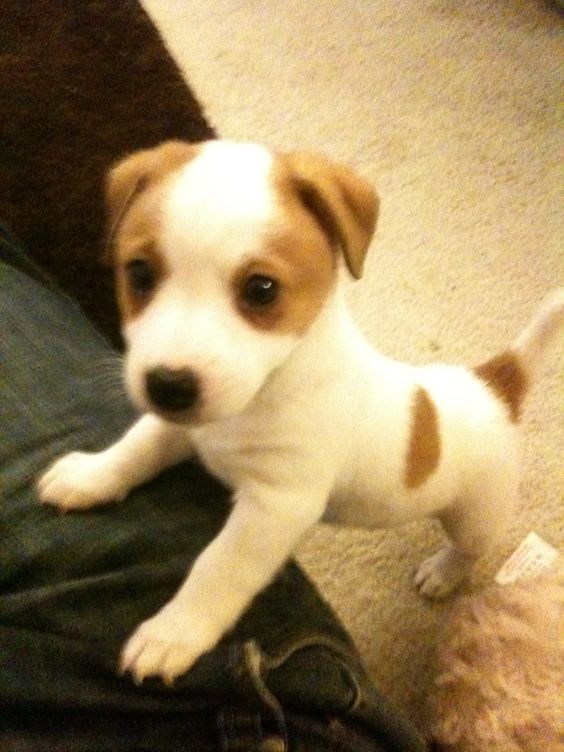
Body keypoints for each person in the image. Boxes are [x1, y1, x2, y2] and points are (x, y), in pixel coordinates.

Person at [0, 224, 426, 751]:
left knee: (475, 532)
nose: (175, 353)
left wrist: (197, 616)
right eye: (145, 276)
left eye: (258, 290)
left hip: (446, 465)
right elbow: (185, 423)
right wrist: (116, 468)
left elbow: (280, 507)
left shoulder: (322, 403)